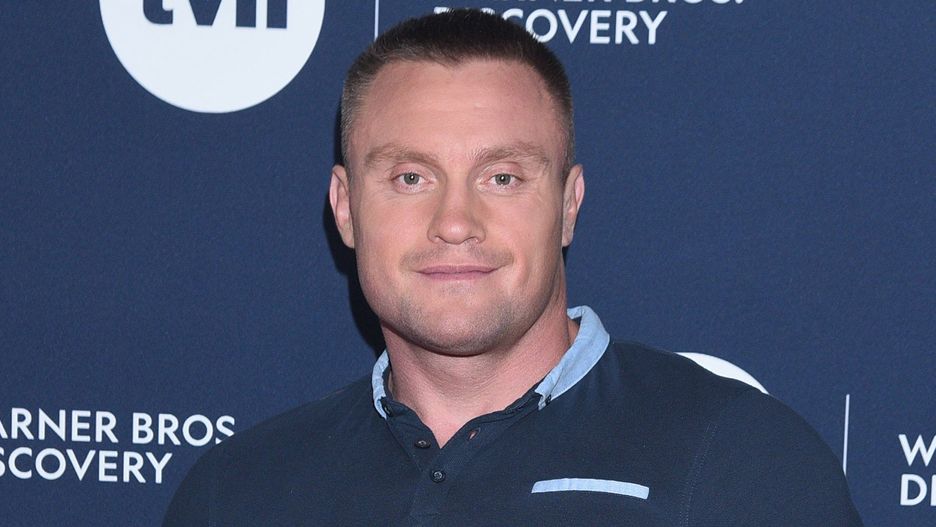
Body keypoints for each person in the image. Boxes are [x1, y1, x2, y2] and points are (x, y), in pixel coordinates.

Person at [164, 9, 863, 526]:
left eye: (502, 178)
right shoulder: (238, 492)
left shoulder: (740, 462)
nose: (455, 221)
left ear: (568, 204)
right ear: (345, 209)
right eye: (410, 178)